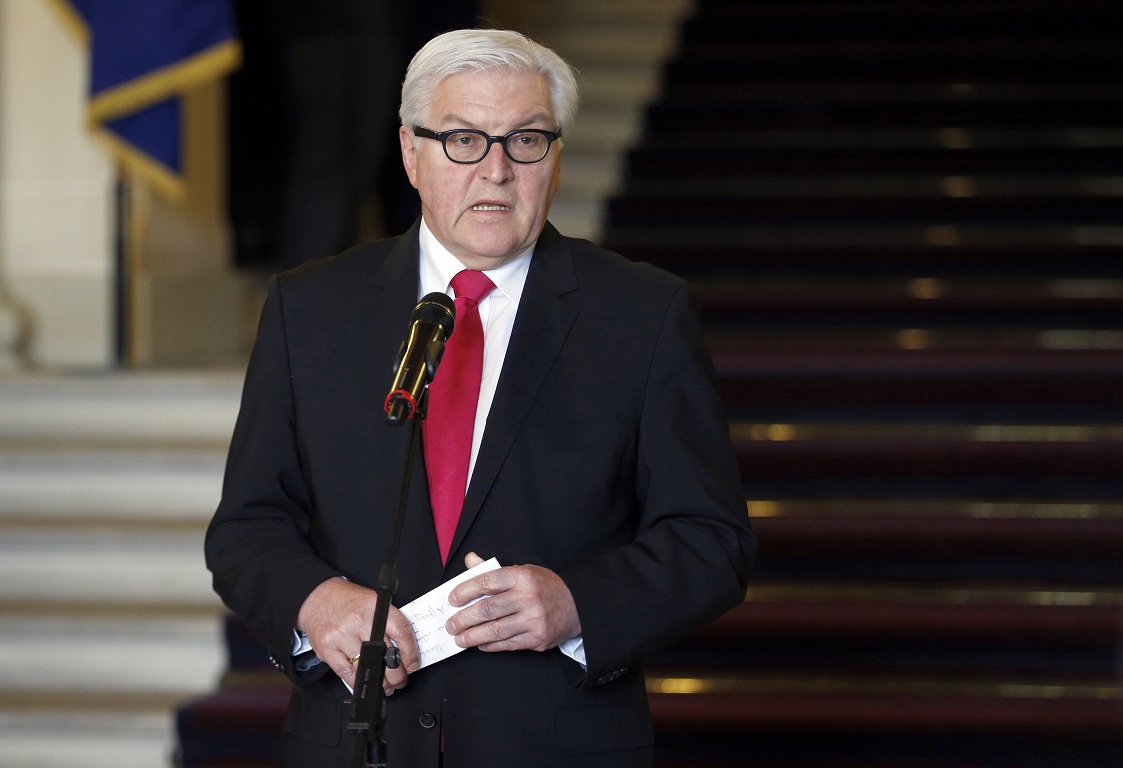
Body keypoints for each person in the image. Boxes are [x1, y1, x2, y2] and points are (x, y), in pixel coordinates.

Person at [205, 28, 756, 768]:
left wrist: (578, 603)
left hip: (554, 745)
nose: (496, 170)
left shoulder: (642, 315)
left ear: (555, 155)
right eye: (463, 140)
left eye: (525, 140)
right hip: (356, 743)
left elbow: (711, 541)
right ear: (411, 152)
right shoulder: (310, 309)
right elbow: (247, 527)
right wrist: (315, 602)